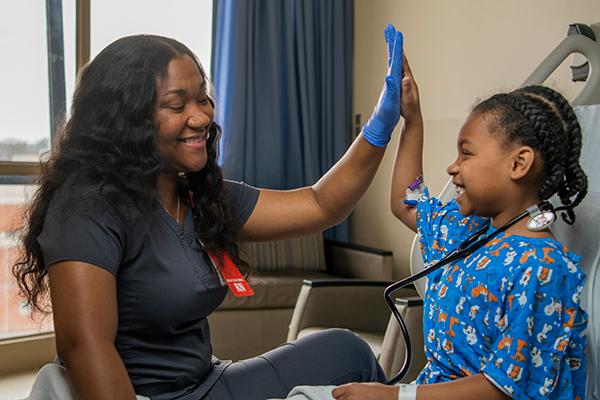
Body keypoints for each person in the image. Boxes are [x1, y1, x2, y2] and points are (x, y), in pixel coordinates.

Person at [13, 25, 404, 400]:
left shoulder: (198, 195)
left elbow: (321, 205)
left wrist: (379, 127)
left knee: (347, 353)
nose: (200, 117)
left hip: (206, 384)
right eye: (176, 104)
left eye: (203, 99)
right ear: (126, 120)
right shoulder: (88, 206)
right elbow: (83, 346)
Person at [332, 49, 589, 400]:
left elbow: (503, 389)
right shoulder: (468, 233)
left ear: (519, 163)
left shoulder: (543, 270)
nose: (453, 167)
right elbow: (406, 201)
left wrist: (393, 397)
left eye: (466, 153)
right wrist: (413, 120)